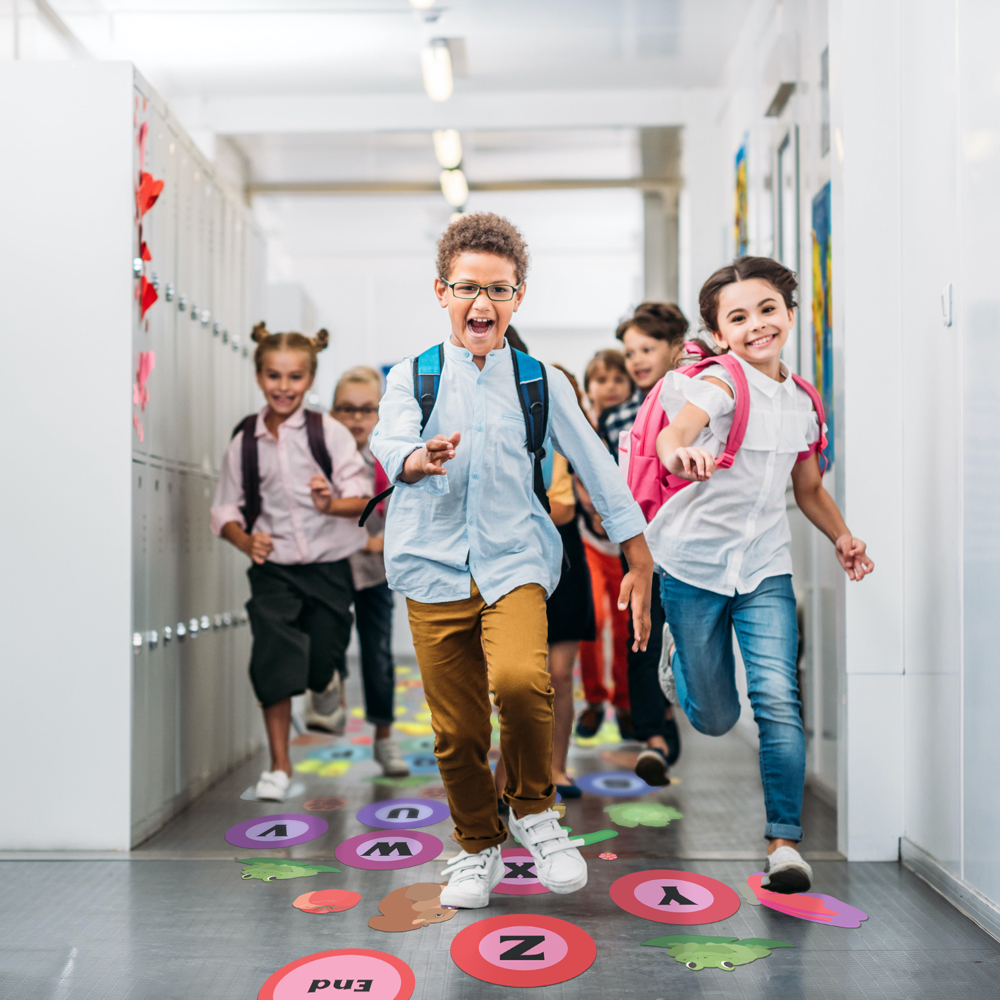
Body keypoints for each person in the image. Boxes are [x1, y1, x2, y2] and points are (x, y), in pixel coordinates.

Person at [371, 212, 652, 909]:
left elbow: (597, 465)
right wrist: (416, 458)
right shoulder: (412, 377)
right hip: (432, 567)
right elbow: (389, 443)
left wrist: (639, 556)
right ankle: (475, 848)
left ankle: (532, 810)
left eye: (499, 290)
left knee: (526, 684)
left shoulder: (540, 381)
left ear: (518, 297)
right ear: (442, 292)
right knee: (457, 731)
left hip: (515, 561)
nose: (483, 304)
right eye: (468, 288)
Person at [650, 257, 873, 893]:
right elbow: (674, 436)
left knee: (778, 699)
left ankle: (784, 844)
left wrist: (843, 536)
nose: (756, 325)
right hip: (691, 564)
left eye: (767, 309)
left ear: (790, 315)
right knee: (716, 718)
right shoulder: (719, 384)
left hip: (765, 566)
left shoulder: (803, 399)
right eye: (738, 317)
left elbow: (807, 487)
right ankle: (682, 660)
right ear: (719, 334)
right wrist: (683, 451)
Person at [211, 325, 371, 802]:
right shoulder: (245, 440)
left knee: (322, 656)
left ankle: (326, 684)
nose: (284, 387)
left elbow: (362, 498)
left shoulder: (331, 434)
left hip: (328, 567)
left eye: (294, 377)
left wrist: (330, 503)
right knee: (273, 658)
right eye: (274, 376)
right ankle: (279, 764)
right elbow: (225, 508)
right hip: (274, 567)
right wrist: (246, 541)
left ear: (310, 379)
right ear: (259, 376)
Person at [599, 302, 692, 786]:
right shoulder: (616, 417)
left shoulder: (696, 401)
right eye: (629, 351)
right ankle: (653, 735)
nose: (635, 359)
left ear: (675, 347)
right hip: (639, 541)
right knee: (641, 632)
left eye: (646, 349)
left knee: (683, 634)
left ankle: (673, 709)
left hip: (689, 540)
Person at [330, 366, 410, 777]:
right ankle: (333, 701)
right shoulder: (323, 455)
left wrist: (380, 542)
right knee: (329, 641)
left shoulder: (387, 456)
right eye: (347, 409)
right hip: (330, 567)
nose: (357, 419)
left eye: (367, 410)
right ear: (332, 412)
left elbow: (405, 509)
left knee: (377, 654)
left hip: (374, 569)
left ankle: (384, 735)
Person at [575, 350, 635, 740]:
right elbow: (576, 473)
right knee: (592, 620)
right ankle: (595, 699)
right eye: (601, 380)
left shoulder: (633, 425)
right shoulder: (580, 426)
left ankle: (626, 702)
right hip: (590, 539)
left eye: (618, 379)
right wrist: (593, 507)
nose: (610, 387)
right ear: (588, 388)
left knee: (626, 622)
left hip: (628, 543)